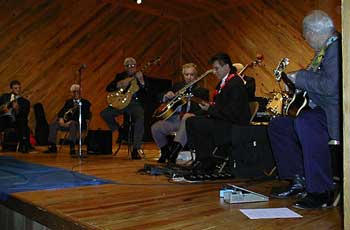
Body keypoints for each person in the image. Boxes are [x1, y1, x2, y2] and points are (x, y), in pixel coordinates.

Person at [268, 10, 341, 209]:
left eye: (306, 35)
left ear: (314, 33)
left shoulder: (338, 48)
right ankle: (298, 178)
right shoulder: (324, 51)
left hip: (336, 114)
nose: (306, 40)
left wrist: (299, 77)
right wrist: (295, 85)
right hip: (321, 110)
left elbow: (331, 86)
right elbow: (316, 83)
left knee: (307, 123)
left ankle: (321, 191)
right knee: (279, 125)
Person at [186, 53, 251, 172]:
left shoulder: (235, 83)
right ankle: (201, 157)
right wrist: (207, 108)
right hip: (223, 121)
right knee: (191, 120)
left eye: (217, 69)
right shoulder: (223, 83)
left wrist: (210, 109)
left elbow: (232, 112)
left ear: (226, 67)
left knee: (197, 124)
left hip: (233, 126)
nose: (214, 72)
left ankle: (206, 160)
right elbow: (221, 106)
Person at [151, 63, 209, 163]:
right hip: (175, 118)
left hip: (190, 120)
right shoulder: (177, 86)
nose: (189, 77)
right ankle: (165, 152)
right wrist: (166, 95)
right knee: (156, 128)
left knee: (186, 117)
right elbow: (159, 96)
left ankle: (174, 153)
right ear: (183, 75)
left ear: (196, 76)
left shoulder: (202, 91)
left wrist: (195, 114)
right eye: (186, 75)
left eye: (192, 75)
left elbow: (204, 110)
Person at [100, 57, 148, 160]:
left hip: (133, 103)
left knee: (140, 117)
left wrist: (142, 81)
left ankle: (136, 148)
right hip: (120, 102)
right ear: (125, 67)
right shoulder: (120, 76)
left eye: (132, 65)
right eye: (128, 66)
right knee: (105, 113)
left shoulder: (141, 75)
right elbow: (109, 88)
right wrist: (120, 83)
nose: (130, 67)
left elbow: (146, 93)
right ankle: (120, 131)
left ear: (136, 66)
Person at [45, 84, 91, 155]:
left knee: (73, 124)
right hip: (67, 124)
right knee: (54, 124)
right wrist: (61, 119)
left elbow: (85, 115)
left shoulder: (85, 103)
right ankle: (52, 146)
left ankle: (72, 147)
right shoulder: (68, 102)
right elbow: (61, 112)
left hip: (79, 124)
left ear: (80, 92)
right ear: (71, 93)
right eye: (73, 92)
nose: (75, 94)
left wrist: (71, 121)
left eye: (77, 92)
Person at [0, 80, 31, 153]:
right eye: (15, 88)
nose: (18, 90)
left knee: (24, 124)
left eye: (19, 88)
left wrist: (17, 110)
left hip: (16, 120)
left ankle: (23, 146)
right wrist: (4, 109)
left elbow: (25, 114)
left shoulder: (24, 101)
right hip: (4, 118)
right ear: (11, 88)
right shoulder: (5, 97)